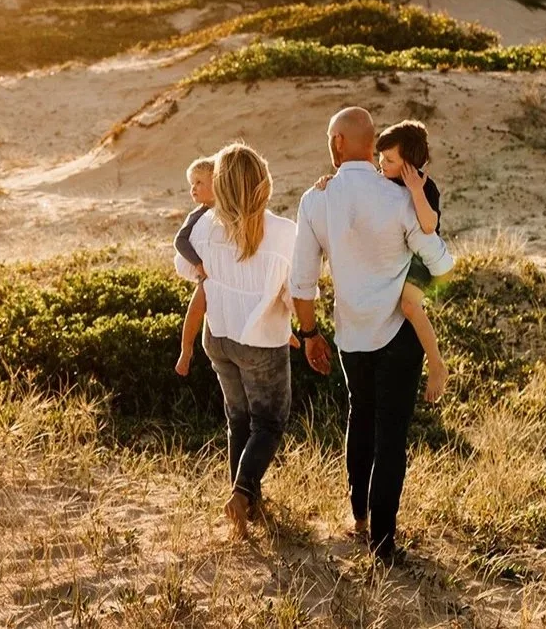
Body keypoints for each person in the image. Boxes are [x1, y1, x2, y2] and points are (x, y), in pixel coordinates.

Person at [291, 107, 455, 567]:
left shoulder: (315, 200)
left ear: (339, 142)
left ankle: (358, 520)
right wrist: (417, 288)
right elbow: (441, 263)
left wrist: (309, 335)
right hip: (399, 335)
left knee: (359, 419)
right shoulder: (398, 198)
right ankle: (383, 544)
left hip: (351, 333)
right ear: (370, 146)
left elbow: (302, 281)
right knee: (391, 436)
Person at [174, 142, 297, 539]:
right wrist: (299, 327)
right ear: (263, 182)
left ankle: (247, 500)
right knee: (269, 422)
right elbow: (291, 292)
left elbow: (185, 267)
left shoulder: (206, 224)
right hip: (260, 342)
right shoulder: (282, 231)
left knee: (238, 419)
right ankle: (242, 495)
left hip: (218, 337)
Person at [313, 120, 450, 410]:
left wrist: (415, 190)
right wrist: (329, 182)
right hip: (398, 254)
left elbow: (429, 226)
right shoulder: (382, 178)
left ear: (410, 165)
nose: (381, 165)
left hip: (421, 260)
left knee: (410, 307)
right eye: (380, 158)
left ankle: (436, 364)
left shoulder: (426, 186)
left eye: (389, 160)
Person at [173, 156, 216, 376]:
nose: (193, 188)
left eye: (199, 182)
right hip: (205, 272)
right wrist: (197, 263)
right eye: (192, 184)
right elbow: (179, 241)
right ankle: (186, 349)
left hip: (224, 270)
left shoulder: (229, 209)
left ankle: (285, 332)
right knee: (200, 300)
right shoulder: (197, 214)